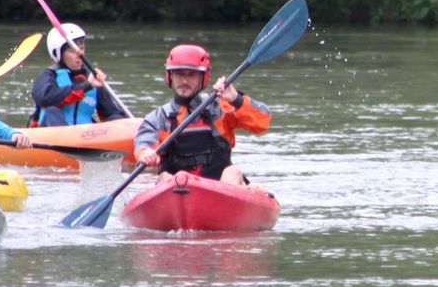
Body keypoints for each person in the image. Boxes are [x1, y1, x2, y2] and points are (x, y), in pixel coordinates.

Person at [132, 44, 271, 186]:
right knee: (164, 177)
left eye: (191, 75)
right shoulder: (158, 118)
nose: (184, 81)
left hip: (222, 188)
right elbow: (143, 145)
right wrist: (146, 154)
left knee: (233, 172)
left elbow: (262, 123)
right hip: (178, 191)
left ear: (203, 78)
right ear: (170, 76)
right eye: (179, 74)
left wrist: (237, 99)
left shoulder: (221, 107)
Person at [30, 23, 127, 127]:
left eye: (81, 48)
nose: (79, 55)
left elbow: (111, 113)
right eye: (72, 51)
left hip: (84, 138)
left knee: (117, 119)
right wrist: (87, 86)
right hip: (51, 134)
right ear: (58, 54)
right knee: (51, 111)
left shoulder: (92, 80)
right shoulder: (49, 76)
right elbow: (45, 100)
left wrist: (122, 123)